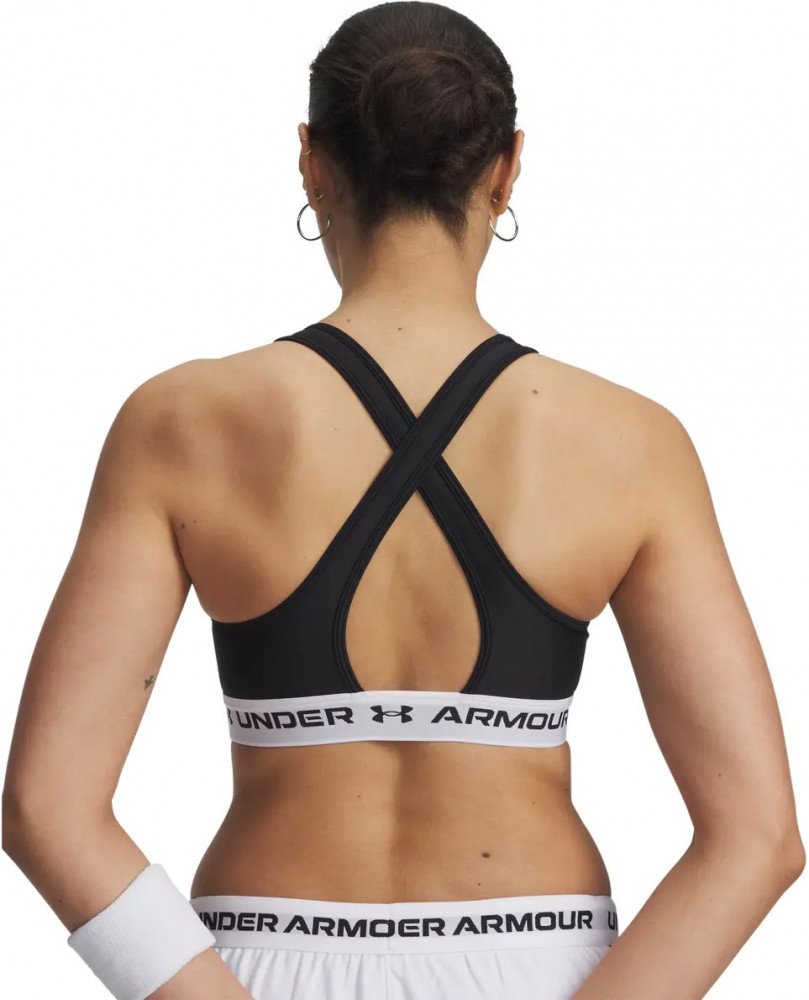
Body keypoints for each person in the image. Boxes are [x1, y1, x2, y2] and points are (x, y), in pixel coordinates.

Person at [2, 3, 804, 999]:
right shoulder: (628, 440)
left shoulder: (182, 421)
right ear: (506, 167)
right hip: (539, 963)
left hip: (248, 964)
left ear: (311, 162)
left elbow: (48, 807)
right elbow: (757, 834)